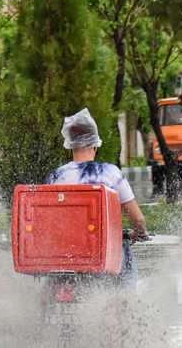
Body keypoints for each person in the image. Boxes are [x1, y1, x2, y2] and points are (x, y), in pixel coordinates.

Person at [46, 108, 148, 287]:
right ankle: (126, 307)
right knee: (127, 264)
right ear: (95, 144)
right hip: (102, 254)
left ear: (70, 145)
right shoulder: (110, 173)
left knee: (51, 283)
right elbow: (137, 219)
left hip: (65, 254)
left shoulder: (55, 177)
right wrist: (140, 231)